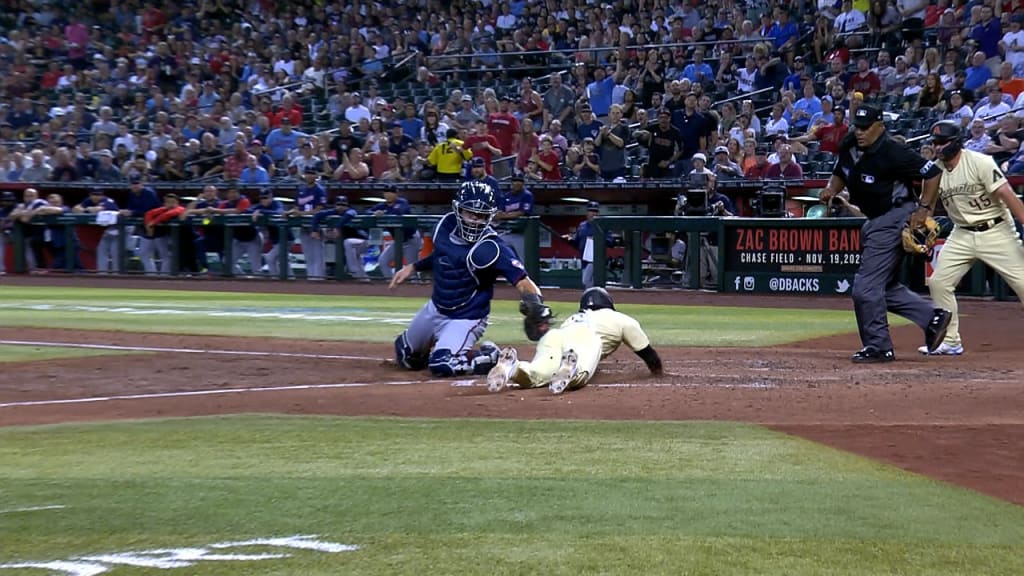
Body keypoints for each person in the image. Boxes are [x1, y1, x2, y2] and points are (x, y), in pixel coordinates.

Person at [820, 104, 952, 363]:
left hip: (894, 216)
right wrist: (830, 189)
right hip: (875, 220)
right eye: (857, 126)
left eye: (866, 127)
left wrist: (924, 209)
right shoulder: (850, 143)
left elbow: (933, 173)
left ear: (880, 126)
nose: (860, 132)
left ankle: (879, 346)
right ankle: (932, 318)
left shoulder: (893, 151)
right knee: (883, 286)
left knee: (865, 287)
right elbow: (841, 171)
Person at [389, 180, 543, 377]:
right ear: (458, 209)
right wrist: (413, 267)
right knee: (405, 355)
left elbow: (523, 280)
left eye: (481, 215)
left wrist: (534, 304)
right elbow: (443, 257)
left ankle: (489, 357)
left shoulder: (492, 247)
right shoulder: (445, 226)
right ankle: (442, 344)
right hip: (437, 306)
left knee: (443, 365)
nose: (475, 220)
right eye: (470, 213)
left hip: (467, 316)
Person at [914, 121, 1024, 355]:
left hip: (996, 230)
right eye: (934, 143)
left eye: (942, 142)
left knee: (1023, 284)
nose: (937, 147)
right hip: (961, 233)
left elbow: (1007, 195)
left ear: (955, 142)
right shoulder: (934, 171)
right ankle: (951, 341)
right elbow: (928, 206)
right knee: (939, 282)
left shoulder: (979, 162)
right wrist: (920, 225)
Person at [487, 287, 663, 395]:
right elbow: (648, 354)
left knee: (537, 372)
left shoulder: (573, 317)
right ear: (609, 304)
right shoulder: (621, 319)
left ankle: (514, 367)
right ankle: (571, 369)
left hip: (556, 335)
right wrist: (658, 373)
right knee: (580, 370)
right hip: (588, 338)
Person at [312, 195, 370, 281]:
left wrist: (337, 227)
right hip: (351, 246)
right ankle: (364, 280)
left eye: (343, 205)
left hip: (362, 242)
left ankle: (352, 270)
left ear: (347, 206)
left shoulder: (351, 211)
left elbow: (349, 215)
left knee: (348, 243)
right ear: (335, 205)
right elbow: (317, 215)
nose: (341, 207)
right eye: (339, 205)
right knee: (354, 257)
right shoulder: (334, 212)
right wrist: (314, 230)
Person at [369, 186, 422, 280]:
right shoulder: (382, 205)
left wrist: (383, 214)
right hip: (398, 241)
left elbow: (399, 212)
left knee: (412, 268)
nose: (388, 194)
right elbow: (367, 212)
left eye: (391, 192)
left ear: (396, 193)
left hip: (411, 239)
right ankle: (391, 282)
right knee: (383, 261)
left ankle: (415, 288)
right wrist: (374, 213)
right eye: (386, 192)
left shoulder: (402, 202)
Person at [287, 166, 328, 280]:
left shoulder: (319, 189)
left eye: (312, 173)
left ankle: (319, 280)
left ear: (316, 176)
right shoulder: (301, 190)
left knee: (317, 256)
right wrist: (289, 212)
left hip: (317, 226)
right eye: (307, 173)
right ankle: (311, 280)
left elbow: (320, 209)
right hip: (304, 227)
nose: (309, 176)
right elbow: (296, 207)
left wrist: (301, 214)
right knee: (309, 256)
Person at [562, 201, 609, 289]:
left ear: (598, 213)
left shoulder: (602, 225)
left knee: (586, 281)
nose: (593, 213)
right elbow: (576, 242)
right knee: (588, 283)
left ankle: (591, 297)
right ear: (587, 213)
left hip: (596, 260)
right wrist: (569, 239)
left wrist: (599, 241)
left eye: (595, 211)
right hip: (584, 260)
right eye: (591, 211)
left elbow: (610, 241)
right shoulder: (582, 226)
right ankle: (592, 299)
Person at [73, 187, 120, 273]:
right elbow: (75, 209)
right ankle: (102, 276)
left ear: (102, 195)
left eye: (98, 195)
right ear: (90, 195)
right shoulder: (88, 200)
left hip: (119, 230)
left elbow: (98, 209)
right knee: (101, 252)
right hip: (106, 231)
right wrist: (86, 209)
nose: (96, 197)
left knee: (115, 254)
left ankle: (118, 277)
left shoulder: (108, 201)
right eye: (94, 194)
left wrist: (85, 210)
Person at [494, 174, 534, 261]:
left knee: (524, 260)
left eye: (520, 181)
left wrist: (505, 215)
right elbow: (499, 213)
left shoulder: (527, 195)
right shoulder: (506, 196)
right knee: (497, 251)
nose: (517, 183)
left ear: (523, 183)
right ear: (511, 183)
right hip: (507, 232)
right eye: (515, 181)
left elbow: (522, 212)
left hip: (522, 233)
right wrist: (499, 215)